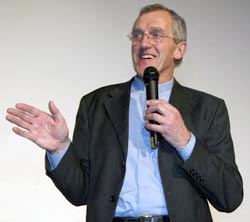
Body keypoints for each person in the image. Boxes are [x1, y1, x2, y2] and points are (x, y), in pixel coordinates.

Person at [6, 4, 243, 222]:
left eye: (156, 35)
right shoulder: (96, 104)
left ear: (179, 49)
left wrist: (184, 140)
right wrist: (59, 149)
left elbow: (229, 197)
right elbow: (80, 192)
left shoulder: (209, 108)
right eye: (137, 35)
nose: (144, 43)